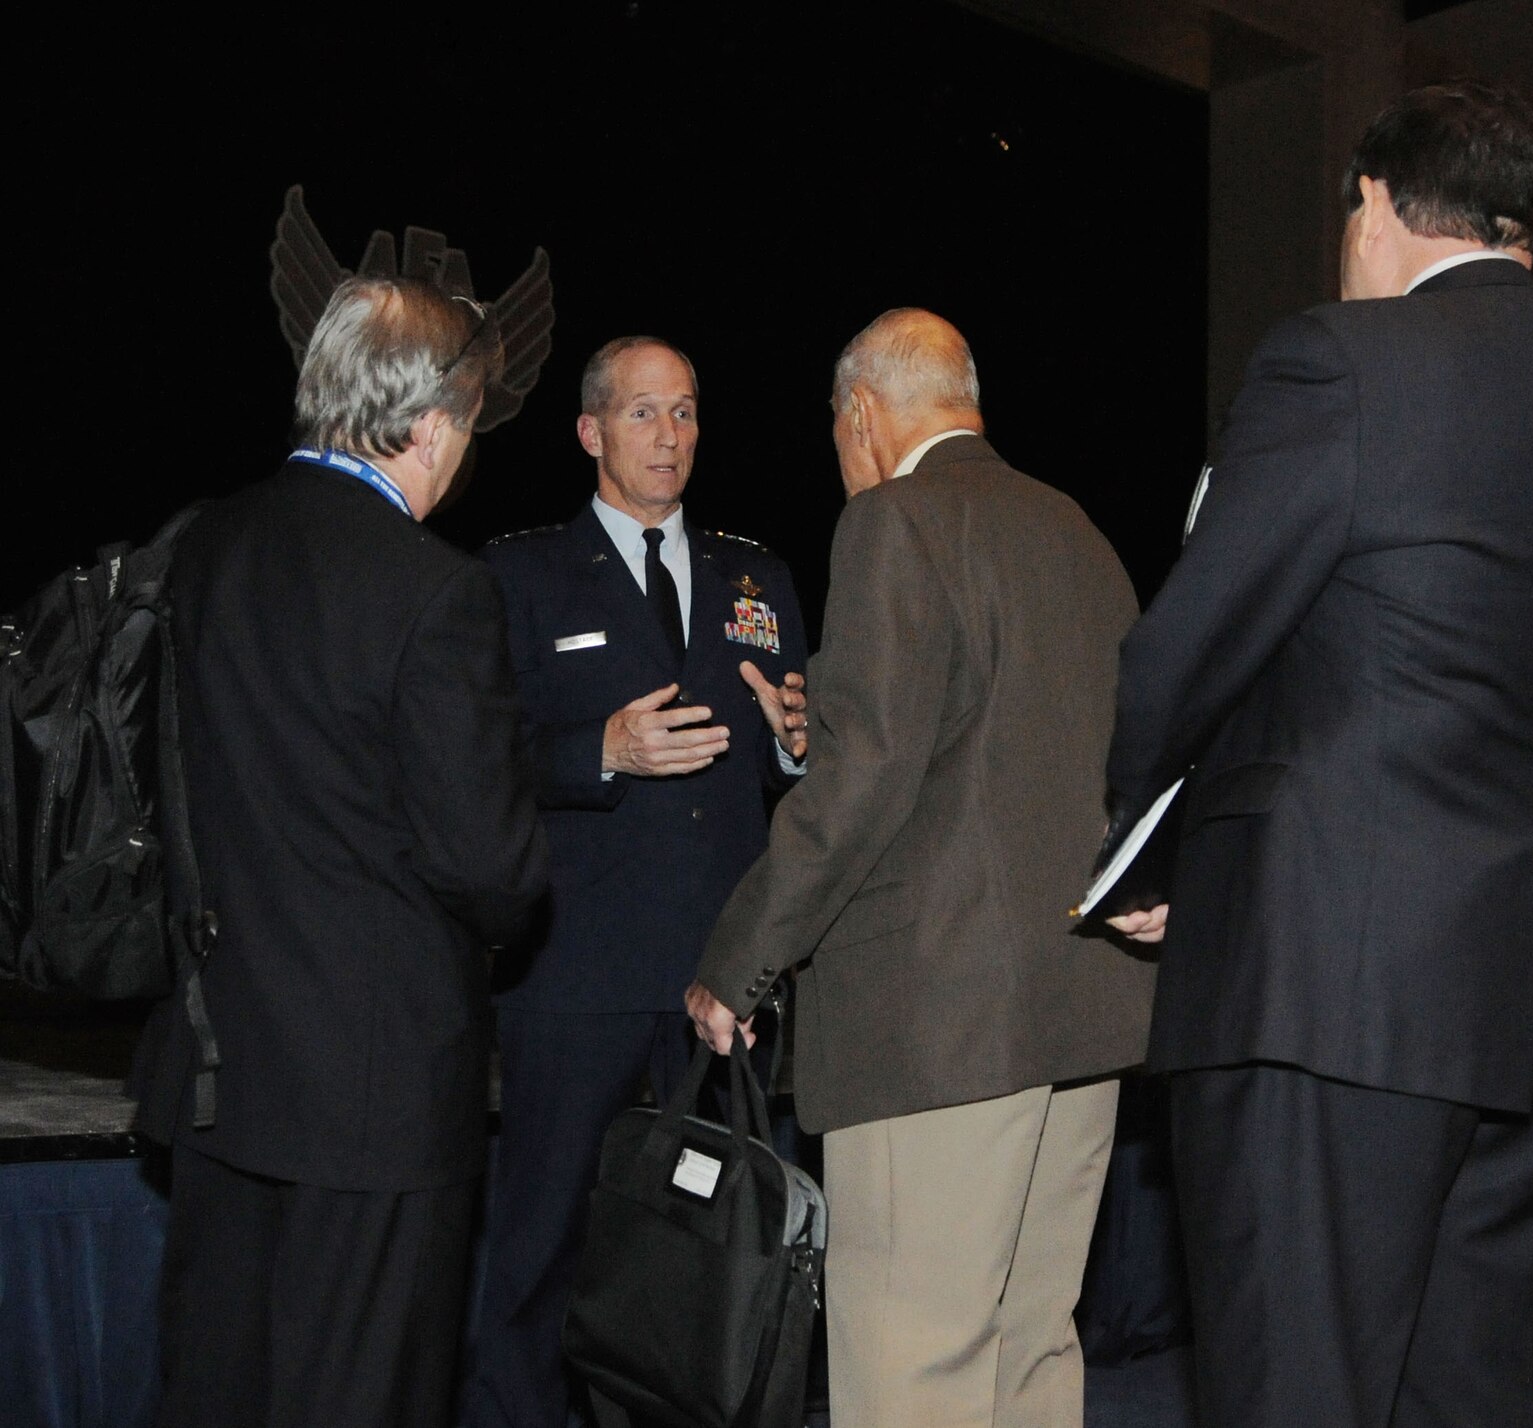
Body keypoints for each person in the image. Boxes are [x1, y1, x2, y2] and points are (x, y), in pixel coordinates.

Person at [1101, 83, 1533, 1428]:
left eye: (1351, 209)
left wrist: (1144, 845)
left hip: (1331, 982)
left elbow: (1189, 646)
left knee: (1300, 1383)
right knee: (1482, 1394)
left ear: (1385, 209)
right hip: (1519, 994)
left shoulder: (1340, 361)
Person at [685, 308, 1153, 1428]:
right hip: (1081, 1017)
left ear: (861, 414)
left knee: (911, 1366)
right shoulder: (1078, 531)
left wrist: (738, 959)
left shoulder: (896, 522)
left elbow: (861, 788)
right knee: (1031, 1347)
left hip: (936, 1031)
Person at [128, 276, 549, 1428]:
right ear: (429, 426)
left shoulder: (203, 545)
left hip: (219, 1068)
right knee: (361, 1396)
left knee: (219, 1386)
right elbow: (492, 869)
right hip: (374, 1094)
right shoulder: (437, 593)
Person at [467, 336, 808, 1428]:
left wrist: (800, 747)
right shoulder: (516, 575)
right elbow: (478, 764)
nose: (671, 436)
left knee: (716, 1252)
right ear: (590, 432)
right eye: (645, 414)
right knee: (543, 1247)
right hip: (579, 973)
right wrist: (599, 749)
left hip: (724, 970)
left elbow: (796, 768)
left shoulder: (760, 577)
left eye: (687, 413)